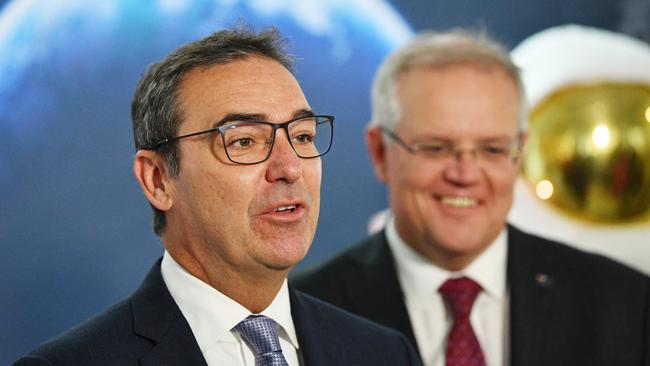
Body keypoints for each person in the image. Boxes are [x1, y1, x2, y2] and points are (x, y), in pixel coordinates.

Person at [14, 27, 421, 366]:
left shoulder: (383, 353)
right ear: (157, 179)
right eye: (244, 141)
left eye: (302, 136)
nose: (290, 167)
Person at [292, 29, 650, 366]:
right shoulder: (296, 314)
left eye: (492, 149)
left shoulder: (625, 305)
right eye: (435, 148)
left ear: (519, 154)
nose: (465, 175)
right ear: (380, 152)